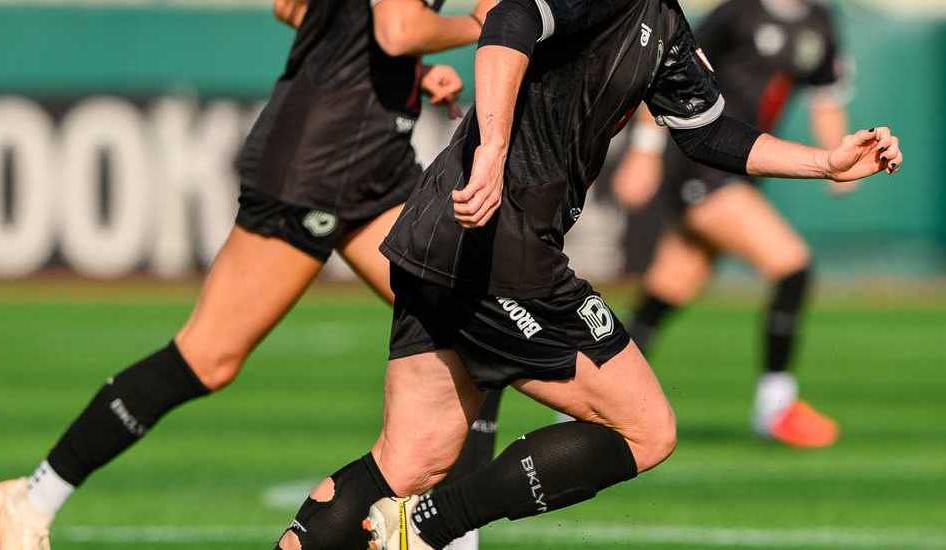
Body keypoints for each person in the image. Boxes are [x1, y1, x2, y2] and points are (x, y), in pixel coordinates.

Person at [268, 0, 903, 547]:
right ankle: (428, 529)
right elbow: (510, 20)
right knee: (645, 430)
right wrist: (490, 151)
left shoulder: (663, 21)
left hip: (439, 238)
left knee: (408, 459)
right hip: (502, 245)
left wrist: (826, 162)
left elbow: (710, 134)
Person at [0, 1, 501, 549]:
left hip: (370, 161)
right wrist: (476, 27)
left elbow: (295, 9)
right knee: (207, 356)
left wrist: (410, 71)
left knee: (470, 318)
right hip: (316, 166)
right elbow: (396, 30)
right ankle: (29, 501)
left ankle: (440, 534)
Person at [607, 0, 856, 448]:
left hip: (744, 167)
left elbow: (827, 97)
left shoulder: (819, 22)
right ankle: (775, 405)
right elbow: (665, 69)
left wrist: (840, 156)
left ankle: (590, 398)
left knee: (670, 289)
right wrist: (643, 151)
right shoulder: (736, 14)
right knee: (792, 265)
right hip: (700, 164)